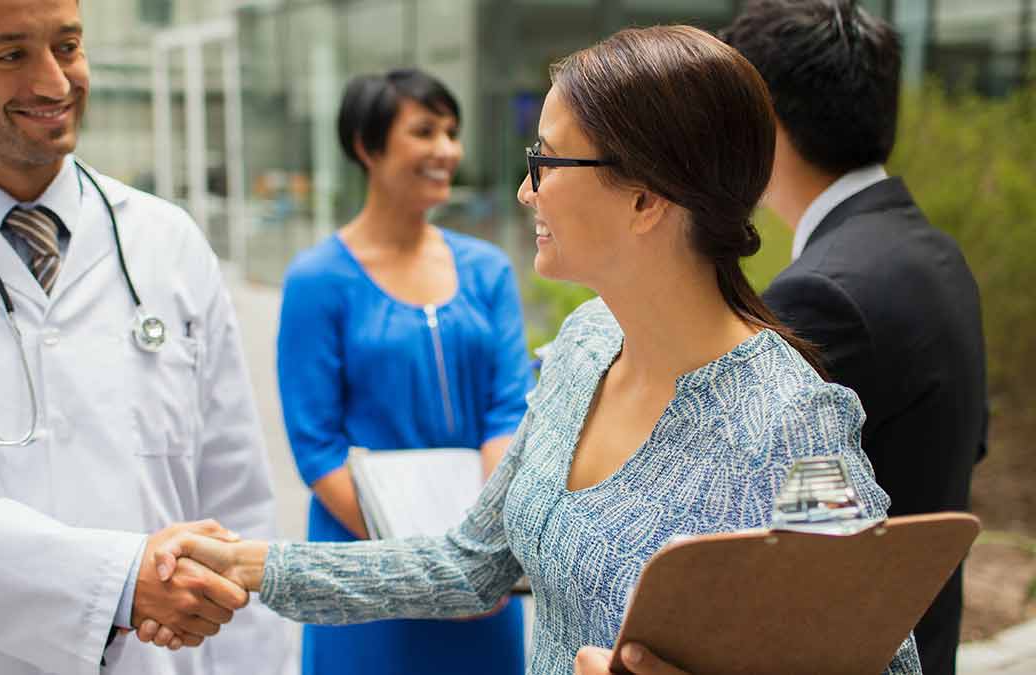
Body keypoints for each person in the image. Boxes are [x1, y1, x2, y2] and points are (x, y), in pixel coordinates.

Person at [143, 26, 922, 674]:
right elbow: (470, 562)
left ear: (646, 197)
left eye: (545, 162)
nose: (526, 191)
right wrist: (250, 565)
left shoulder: (791, 426)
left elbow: (883, 661)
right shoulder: (586, 344)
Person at [0, 0, 284, 672]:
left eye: (67, 46)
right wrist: (117, 580)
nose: (53, 83)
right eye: (10, 54)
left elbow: (235, 498)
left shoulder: (168, 241)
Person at [720, 3, 988, 673]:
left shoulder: (821, 293)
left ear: (766, 119)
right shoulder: (934, 252)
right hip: (927, 642)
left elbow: (766, 521)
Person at [272, 69, 529, 675]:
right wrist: (419, 565)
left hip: (478, 564)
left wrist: (478, 551)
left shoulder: (488, 270)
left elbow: (508, 411)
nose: (447, 150)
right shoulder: (317, 280)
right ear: (367, 146)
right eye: (424, 131)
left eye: (451, 132)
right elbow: (317, 447)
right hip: (365, 563)